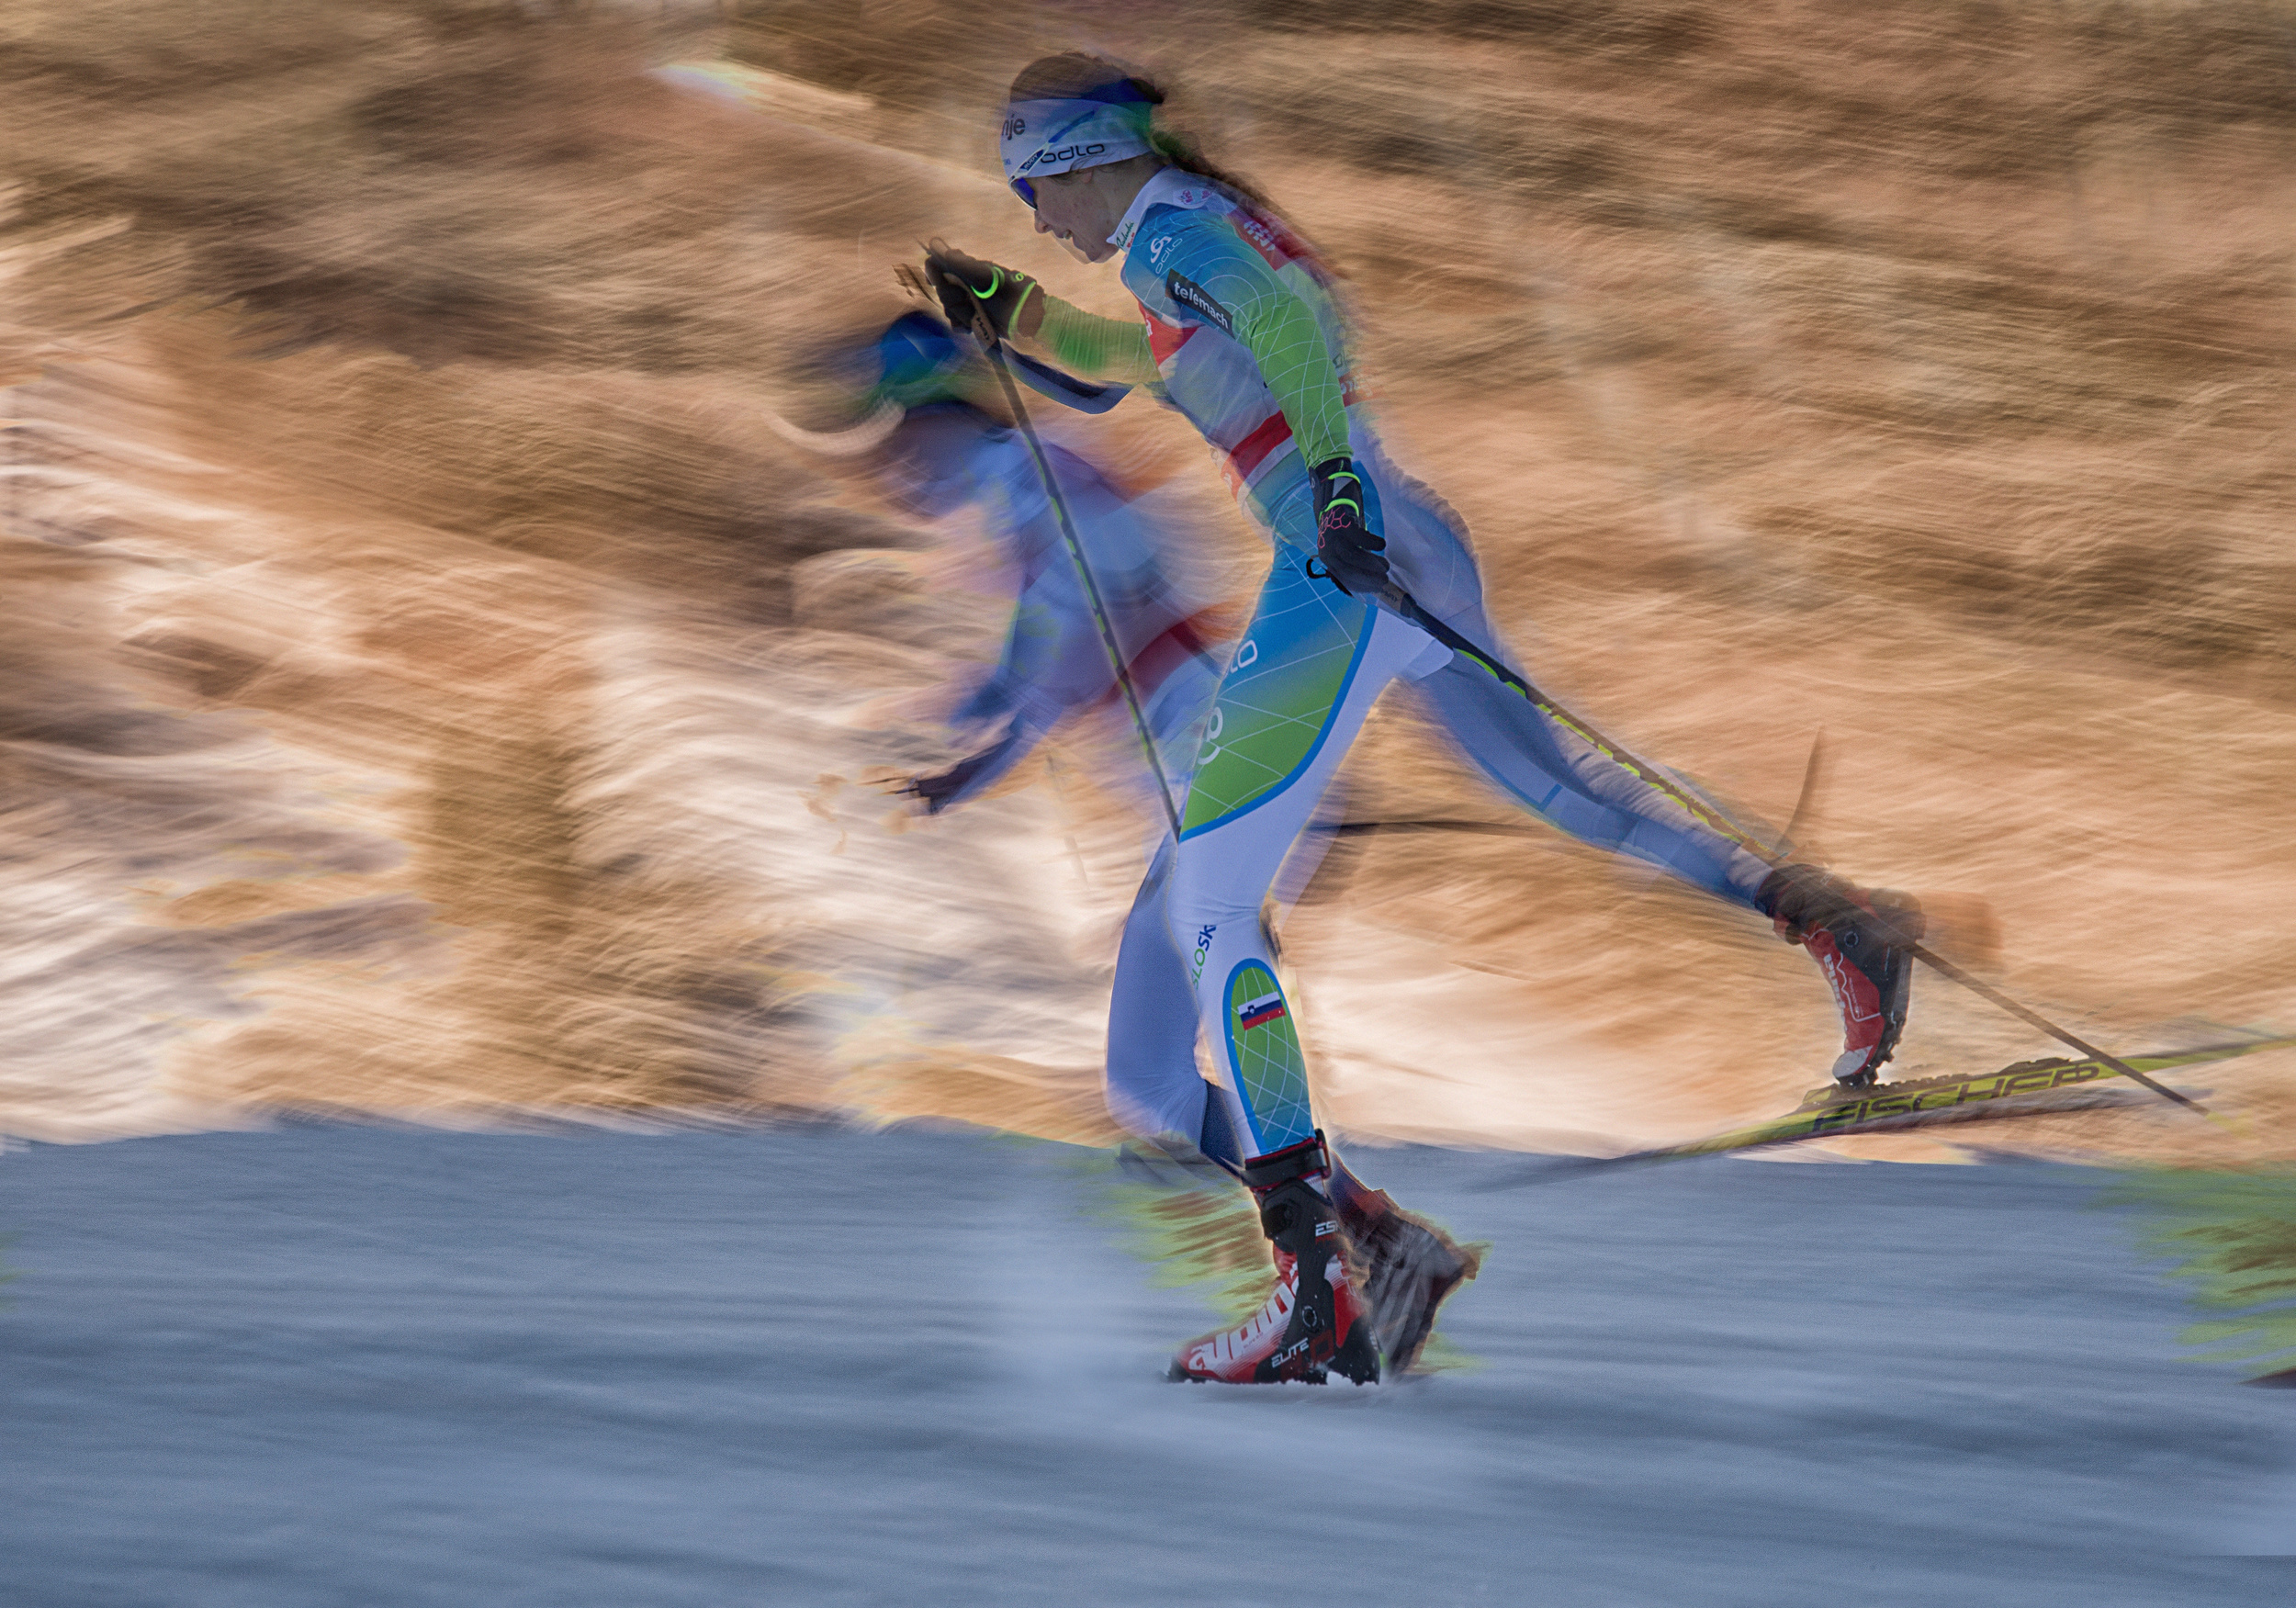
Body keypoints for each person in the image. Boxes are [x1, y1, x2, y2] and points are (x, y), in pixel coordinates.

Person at [921, 55, 1924, 1385]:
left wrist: (1334, 497)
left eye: (1031, 189)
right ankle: (1835, 927)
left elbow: (1283, 329)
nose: (1035, 216)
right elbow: (1138, 361)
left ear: (1077, 159)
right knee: (1567, 794)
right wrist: (1016, 316)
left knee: (1210, 910)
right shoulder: (1195, 231)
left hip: (1338, 563)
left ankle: (1321, 1288)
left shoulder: (1170, 239)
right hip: (1408, 536)